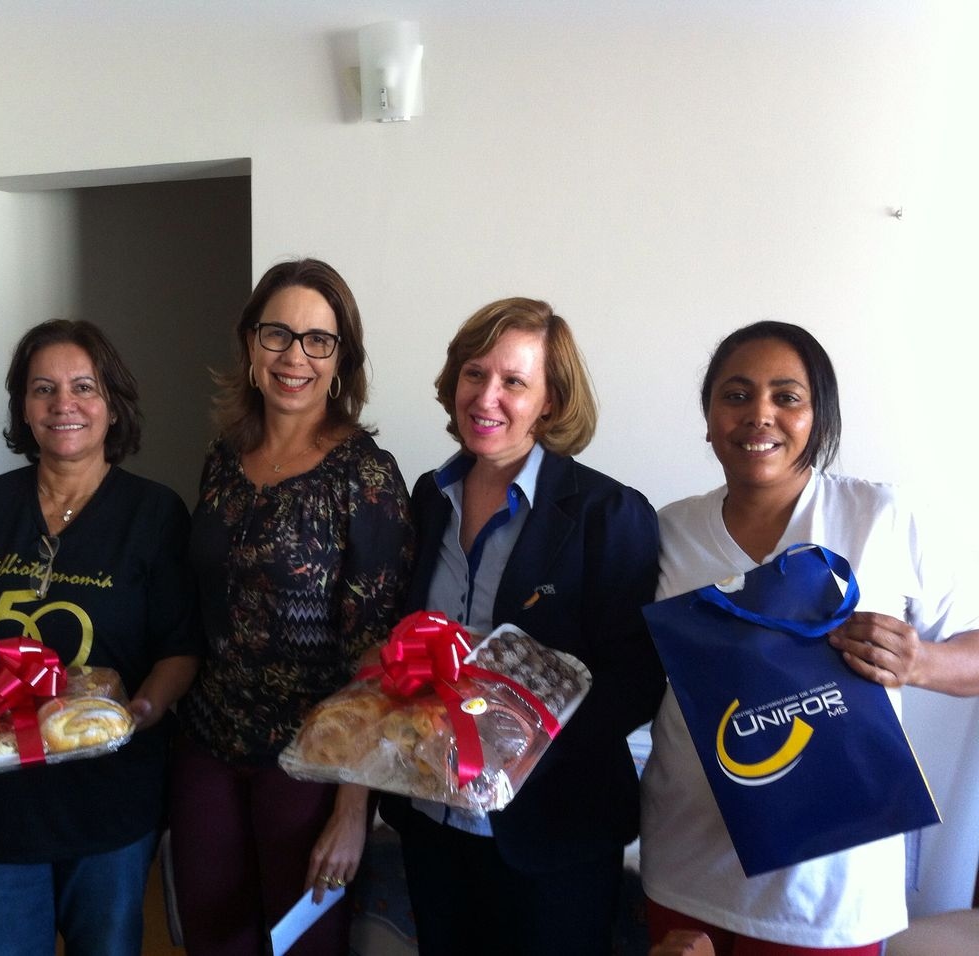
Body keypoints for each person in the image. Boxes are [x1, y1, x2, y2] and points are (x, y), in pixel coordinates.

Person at [640, 320, 979, 954]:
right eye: (736, 396)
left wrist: (921, 661)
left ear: (818, 418)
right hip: (686, 870)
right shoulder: (666, 532)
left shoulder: (880, 517)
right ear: (709, 418)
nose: (759, 414)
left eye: (786, 396)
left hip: (829, 894)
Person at [379, 296, 665, 955]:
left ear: (552, 402)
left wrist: (516, 751)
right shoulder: (428, 497)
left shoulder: (607, 513)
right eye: (474, 373)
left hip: (552, 832)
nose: (487, 397)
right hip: (431, 820)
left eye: (514, 381)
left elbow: (637, 679)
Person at [0, 319, 200, 956]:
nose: (63, 403)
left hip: (113, 795)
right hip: (4, 795)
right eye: (43, 388)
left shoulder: (154, 514)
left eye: (83, 387)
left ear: (113, 404)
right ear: (23, 406)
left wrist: (143, 709)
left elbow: (180, 645)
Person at [168, 258, 413, 956]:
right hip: (209, 745)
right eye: (277, 334)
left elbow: (379, 655)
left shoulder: (366, 476)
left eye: (318, 340)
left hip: (310, 761)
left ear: (341, 360)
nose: (294, 356)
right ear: (250, 344)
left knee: (302, 946)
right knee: (214, 938)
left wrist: (352, 806)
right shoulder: (224, 456)